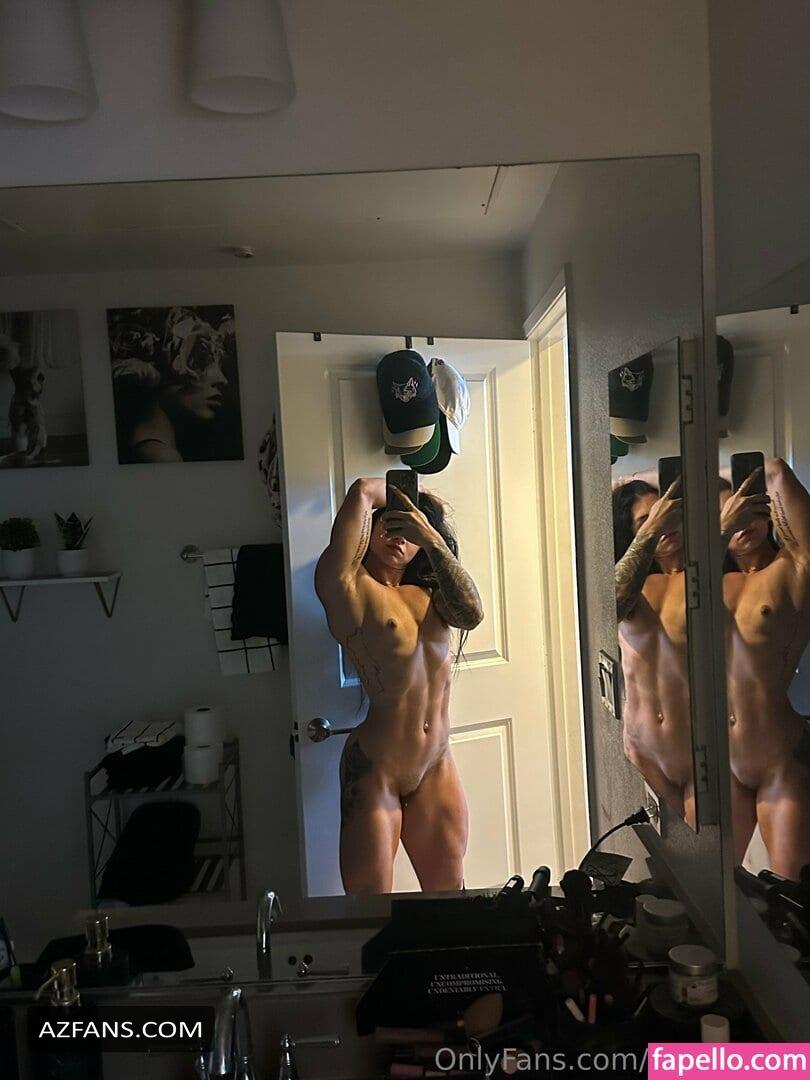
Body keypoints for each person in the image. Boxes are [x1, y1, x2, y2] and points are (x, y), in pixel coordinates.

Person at [315, 477, 484, 895]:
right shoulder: (350, 588)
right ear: (371, 526)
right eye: (390, 523)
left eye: (409, 531)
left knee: (450, 899)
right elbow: (361, 491)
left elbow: (472, 614)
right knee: (370, 909)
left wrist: (430, 536)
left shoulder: (431, 595)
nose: (398, 537)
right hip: (377, 768)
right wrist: (397, 494)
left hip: (436, 764)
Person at [719, 460, 810, 880]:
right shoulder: (704, 584)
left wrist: (737, 476)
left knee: (793, 893)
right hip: (721, 763)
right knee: (705, 889)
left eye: (750, 508)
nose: (743, 522)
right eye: (729, 513)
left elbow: (773, 470)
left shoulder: (792, 567)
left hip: (778, 758)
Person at [612, 477, 696, 825]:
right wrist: (652, 530)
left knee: (707, 845)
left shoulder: (706, 577)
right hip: (643, 748)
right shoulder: (633, 588)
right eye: (643, 520)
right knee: (670, 848)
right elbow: (612, 604)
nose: (661, 523)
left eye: (663, 512)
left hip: (696, 748)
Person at [109, 306, 236, 463]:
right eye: (199, 360)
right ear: (159, 365)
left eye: (219, 364)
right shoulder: (161, 457)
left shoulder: (150, 448)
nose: (222, 379)